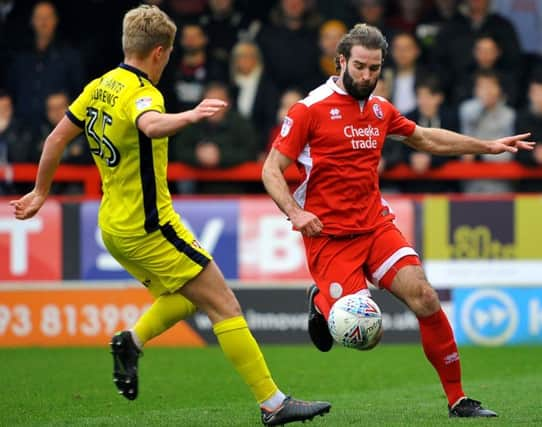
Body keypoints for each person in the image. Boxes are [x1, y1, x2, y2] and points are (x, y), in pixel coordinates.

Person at [9, 5, 330, 426]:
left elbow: (55, 138)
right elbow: (152, 125)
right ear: (160, 52)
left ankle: (131, 340)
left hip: (113, 225)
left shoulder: (100, 85)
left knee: (186, 296)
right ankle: (273, 403)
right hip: (150, 225)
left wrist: (39, 192)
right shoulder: (144, 93)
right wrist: (191, 115)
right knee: (223, 303)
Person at [262, 23, 533, 418]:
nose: (367, 76)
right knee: (367, 336)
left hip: (375, 226)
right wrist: (296, 212)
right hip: (329, 236)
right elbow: (271, 169)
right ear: (341, 61)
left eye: (375, 69)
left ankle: (458, 399)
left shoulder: (380, 109)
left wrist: (487, 146)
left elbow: (425, 138)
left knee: (424, 296)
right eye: (359, 67)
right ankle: (320, 303)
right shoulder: (309, 109)